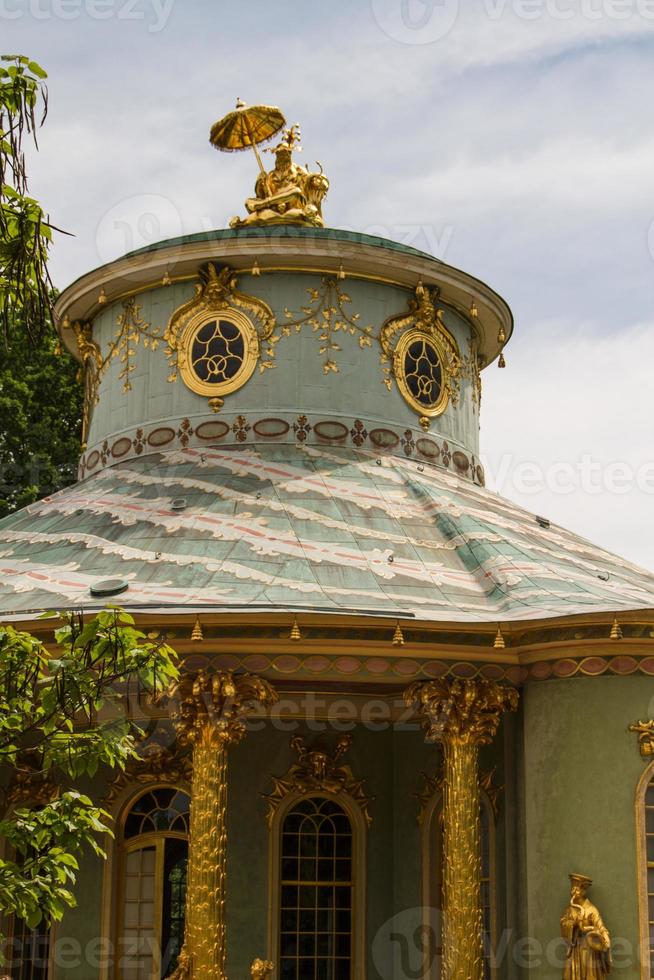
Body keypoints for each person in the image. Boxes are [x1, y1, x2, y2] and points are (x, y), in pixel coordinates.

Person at [560, 873, 611, 979]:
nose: (573, 891)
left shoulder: (591, 909)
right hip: (574, 949)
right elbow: (563, 922)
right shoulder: (570, 909)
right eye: (572, 888)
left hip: (589, 949)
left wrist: (604, 935)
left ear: (583, 891)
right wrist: (574, 924)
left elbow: (600, 926)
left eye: (577, 889)